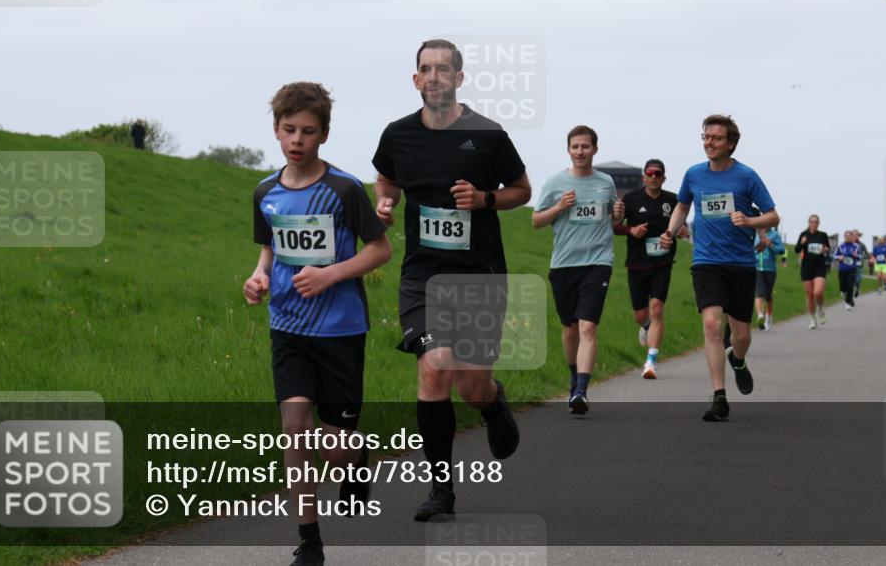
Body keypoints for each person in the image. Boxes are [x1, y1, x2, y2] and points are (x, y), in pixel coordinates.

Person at [372, 39, 531, 522]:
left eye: (444, 69)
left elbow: (521, 190)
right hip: (424, 275)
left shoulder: (486, 134)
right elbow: (385, 178)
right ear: (416, 80)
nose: (435, 76)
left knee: (471, 384)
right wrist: (386, 202)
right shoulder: (397, 135)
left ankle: (491, 404)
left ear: (460, 78)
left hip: (479, 274)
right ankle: (442, 490)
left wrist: (485, 199)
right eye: (426, 69)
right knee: (435, 366)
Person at [243, 82, 393, 566]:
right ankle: (310, 541)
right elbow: (269, 247)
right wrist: (259, 275)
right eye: (289, 130)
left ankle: (355, 461)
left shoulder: (343, 190)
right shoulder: (265, 191)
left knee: (334, 448)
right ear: (276, 130)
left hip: (340, 331)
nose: (297, 140)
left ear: (324, 134)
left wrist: (330, 274)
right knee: (294, 429)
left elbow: (379, 249)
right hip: (287, 326)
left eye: (308, 131)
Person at [660, 114, 779, 422]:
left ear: (731, 143)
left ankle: (737, 360)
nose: (708, 143)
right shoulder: (694, 174)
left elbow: (773, 216)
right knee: (713, 325)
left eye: (715, 138)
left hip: (740, 263)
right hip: (706, 261)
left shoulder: (747, 176)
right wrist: (671, 232)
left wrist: (750, 221)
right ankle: (719, 396)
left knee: (740, 335)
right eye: (705, 137)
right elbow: (683, 206)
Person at [533, 126, 622, 411]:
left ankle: (581, 390)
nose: (580, 152)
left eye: (585, 146)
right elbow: (536, 221)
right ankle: (574, 379)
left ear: (595, 149)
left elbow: (612, 214)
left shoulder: (606, 182)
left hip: (598, 263)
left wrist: (617, 214)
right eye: (575, 147)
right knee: (570, 328)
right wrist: (559, 206)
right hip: (564, 264)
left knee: (588, 326)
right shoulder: (555, 183)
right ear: (568, 150)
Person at [614, 159, 687, 379]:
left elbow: (682, 226)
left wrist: (680, 232)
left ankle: (651, 361)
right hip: (637, 263)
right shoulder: (631, 199)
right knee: (641, 314)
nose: (654, 177)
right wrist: (631, 230)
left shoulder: (673, 200)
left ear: (664, 177)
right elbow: (614, 226)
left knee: (657, 310)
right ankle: (645, 326)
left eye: (658, 174)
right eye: (650, 174)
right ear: (644, 177)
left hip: (662, 263)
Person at [795, 214, 831, 329]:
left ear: (818, 223)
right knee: (810, 295)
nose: (814, 224)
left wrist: (826, 249)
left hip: (820, 267)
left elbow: (827, 248)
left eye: (816, 222)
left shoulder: (823, 235)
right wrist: (802, 243)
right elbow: (797, 250)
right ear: (809, 223)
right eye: (812, 222)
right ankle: (812, 318)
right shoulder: (804, 235)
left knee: (818, 292)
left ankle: (820, 308)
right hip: (807, 268)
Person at [754, 225, 785, 331]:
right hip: (757, 267)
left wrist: (771, 245)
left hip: (770, 268)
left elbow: (781, 250)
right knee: (759, 293)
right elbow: (750, 248)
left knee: (768, 295)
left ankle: (769, 317)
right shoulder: (756, 233)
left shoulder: (775, 235)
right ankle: (760, 316)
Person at [834, 230, 862, 310]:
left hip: (852, 269)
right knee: (843, 288)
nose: (848, 237)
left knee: (850, 286)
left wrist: (856, 255)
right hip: (842, 269)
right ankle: (847, 296)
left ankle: (847, 303)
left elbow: (860, 257)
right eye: (846, 236)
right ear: (844, 237)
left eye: (850, 236)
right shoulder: (841, 246)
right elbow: (834, 256)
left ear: (852, 237)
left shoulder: (856, 246)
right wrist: (839, 257)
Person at [853, 230, 868, 298]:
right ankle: (852, 290)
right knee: (851, 279)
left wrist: (861, 256)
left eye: (856, 235)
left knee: (858, 279)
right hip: (850, 265)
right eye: (853, 235)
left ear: (859, 236)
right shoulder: (849, 244)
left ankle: (857, 288)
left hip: (859, 264)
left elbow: (867, 255)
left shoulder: (862, 245)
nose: (855, 236)